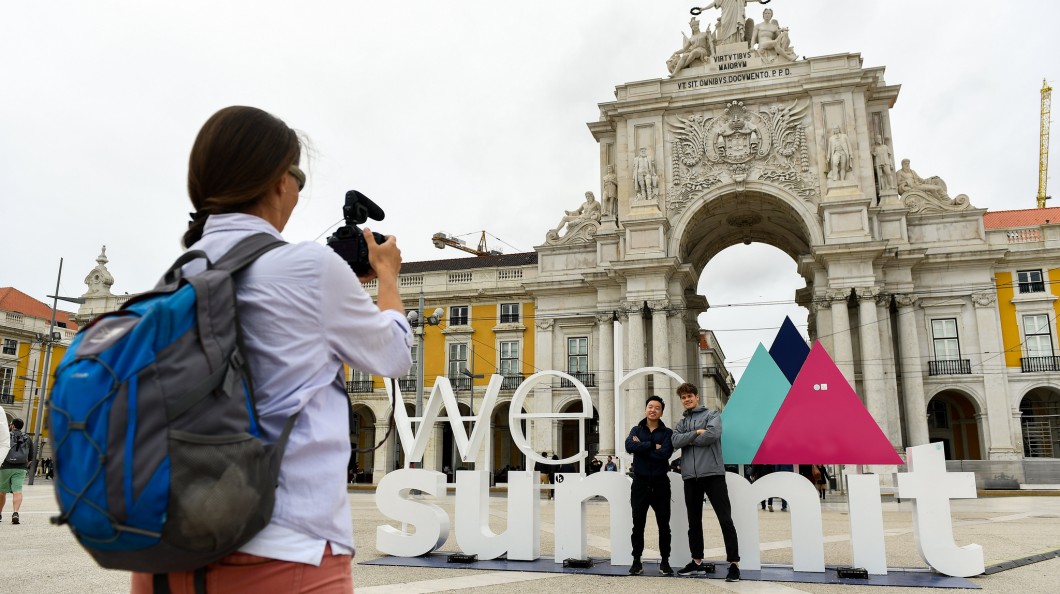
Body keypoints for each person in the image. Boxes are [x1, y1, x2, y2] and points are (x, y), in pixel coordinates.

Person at [129, 106, 413, 593]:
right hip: (283, 549)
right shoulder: (309, 267)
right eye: (298, 177)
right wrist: (387, 276)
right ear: (280, 181)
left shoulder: (174, 278)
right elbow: (394, 356)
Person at [671, 383, 741, 582]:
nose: (687, 399)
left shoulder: (712, 415)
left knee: (725, 519)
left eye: (689, 396)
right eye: (683, 397)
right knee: (694, 522)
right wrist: (696, 433)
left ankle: (734, 564)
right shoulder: (681, 422)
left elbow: (712, 435)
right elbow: (675, 441)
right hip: (690, 477)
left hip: (713, 474)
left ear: (697, 397)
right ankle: (697, 561)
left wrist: (688, 439)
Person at [625, 396, 675, 576]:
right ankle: (636, 561)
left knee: (664, 525)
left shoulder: (667, 432)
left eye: (657, 408)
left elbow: (665, 454)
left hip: (661, 484)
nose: (653, 410)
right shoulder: (635, 429)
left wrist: (642, 447)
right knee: (638, 524)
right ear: (646, 409)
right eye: (650, 406)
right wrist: (653, 445)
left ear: (661, 412)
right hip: (640, 483)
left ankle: (665, 562)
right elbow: (629, 446)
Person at [1, 418, 34, 525]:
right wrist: (25, 466)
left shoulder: (6, 436)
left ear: (13, 425)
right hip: (21, 468)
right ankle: (15, 513)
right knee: (17, 491)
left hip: (5, 466)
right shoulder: (27, 437)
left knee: (2, 492)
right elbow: (31, 456)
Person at [695, 0, 769, 46]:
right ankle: (726, 42)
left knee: (736, 28)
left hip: (736, 15)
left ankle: (737, 42)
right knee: (725, 26)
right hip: (726, 14)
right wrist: (703, 9)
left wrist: (758, 0)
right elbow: (714, 3)